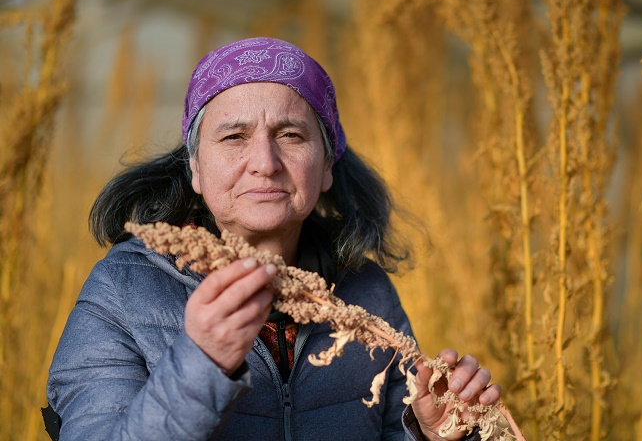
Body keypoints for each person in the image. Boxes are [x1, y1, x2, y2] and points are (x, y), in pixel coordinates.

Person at [45, 37, 501, 440]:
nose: (265, 162)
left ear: (325, 166)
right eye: (234, 136)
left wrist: (426, 434)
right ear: (196, 168)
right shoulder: (121, 293)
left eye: (290, 134)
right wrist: (202, 363)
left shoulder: (369, 292)